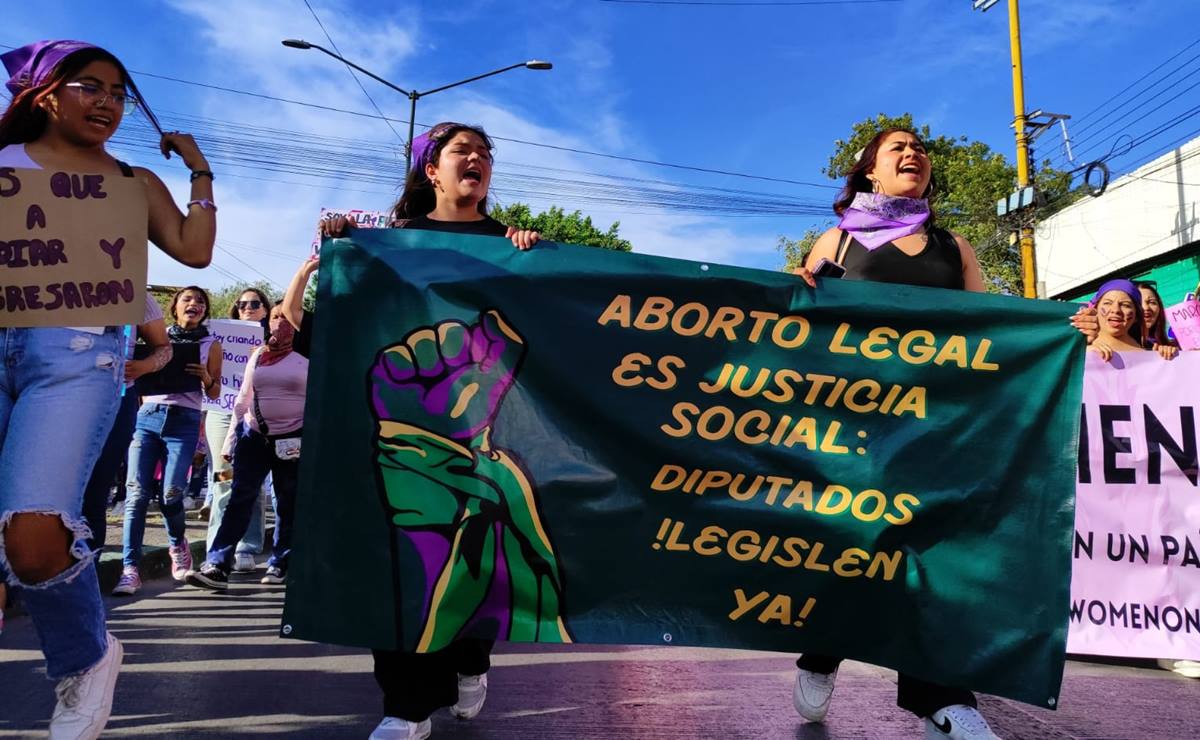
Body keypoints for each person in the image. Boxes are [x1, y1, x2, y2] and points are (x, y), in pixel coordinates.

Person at [793, 128, 1099, 740]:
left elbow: (995, 325)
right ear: (869, 174)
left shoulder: (953, 245)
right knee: (859, 541)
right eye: (895, 148)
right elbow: (803, 321)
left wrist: (1067, 328)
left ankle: (943, 697)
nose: (912, 154)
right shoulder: (841, 238)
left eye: (919, 149)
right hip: (859, 423)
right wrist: (803, 287)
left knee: (932, 551)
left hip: (939, 425)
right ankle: (823, 651)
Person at [0, 39, 215, 738]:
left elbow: (194, 250)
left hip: (76, 355)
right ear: (42, 95)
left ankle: (86, 659)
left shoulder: (134, 182)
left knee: (34, 536)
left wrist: (200, 172)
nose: (108, 103)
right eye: (88, 86)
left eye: (119, 93)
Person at [314, 122, 539, 740]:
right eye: (461, 151)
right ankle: (406, 706)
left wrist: (538, 256)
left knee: (474, 556)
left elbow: (552, 319)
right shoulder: (391, 244)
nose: (476, 160)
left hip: (489, 421)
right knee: (408, 559)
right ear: (430, 170)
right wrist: (343, 251)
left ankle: (470, 659)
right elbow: (346, 322)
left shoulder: (509, 244)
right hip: (405, 418)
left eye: (485, 154)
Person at [187, 303, 307, 590]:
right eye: (275, 317)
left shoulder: (308, 357)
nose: (279, 323)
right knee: (239, 497)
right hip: (253, 437)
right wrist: (231, 438)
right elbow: (242, 399)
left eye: (285, 317)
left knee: (286, 502)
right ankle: (217, 564)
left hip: (292, 439)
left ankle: (280, 563)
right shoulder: (258, 356)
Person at [114, 286, 223, 595]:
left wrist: (206, 377)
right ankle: (129, 568)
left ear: (205, 311)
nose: (194, 304)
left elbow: (215, 393)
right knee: (135, 495)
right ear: (174, 308)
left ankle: (178, 545)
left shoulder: (210, 345)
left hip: (184, 421)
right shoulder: (155, 340)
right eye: (187, 299)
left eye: (200, 300)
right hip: (147, 416)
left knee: (172, 494)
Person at [81, 293, 173, 556]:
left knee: (94, 494)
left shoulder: (136, 294)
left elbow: (164, 347)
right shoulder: (51, 279)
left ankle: (86, 580)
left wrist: (145, 366)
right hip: (52, 397)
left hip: (116, 400)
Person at [201, 288, 272, 572]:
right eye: (242, 304)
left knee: (250, 480)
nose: (248, 308)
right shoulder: (218, 338)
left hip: (257, 416)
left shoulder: (275, 340)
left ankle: (248, 546)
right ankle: (215, 548)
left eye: (255, 303)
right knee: (223, 476)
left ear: (265, 309)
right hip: (221, 413)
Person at [1087, 280, 1173, 363]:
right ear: (1095, 309)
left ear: (1136, 316)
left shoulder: (1149, 354)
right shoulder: (1081, 348)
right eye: (1107, 303)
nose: (1116, 310)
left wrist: (1169, 356)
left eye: (1125, 305)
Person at [1135, 281, 1179, 359]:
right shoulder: (1116, 346)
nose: (1146, 308)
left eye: (1152, 302)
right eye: (1139, 303)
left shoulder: (1175, 348)